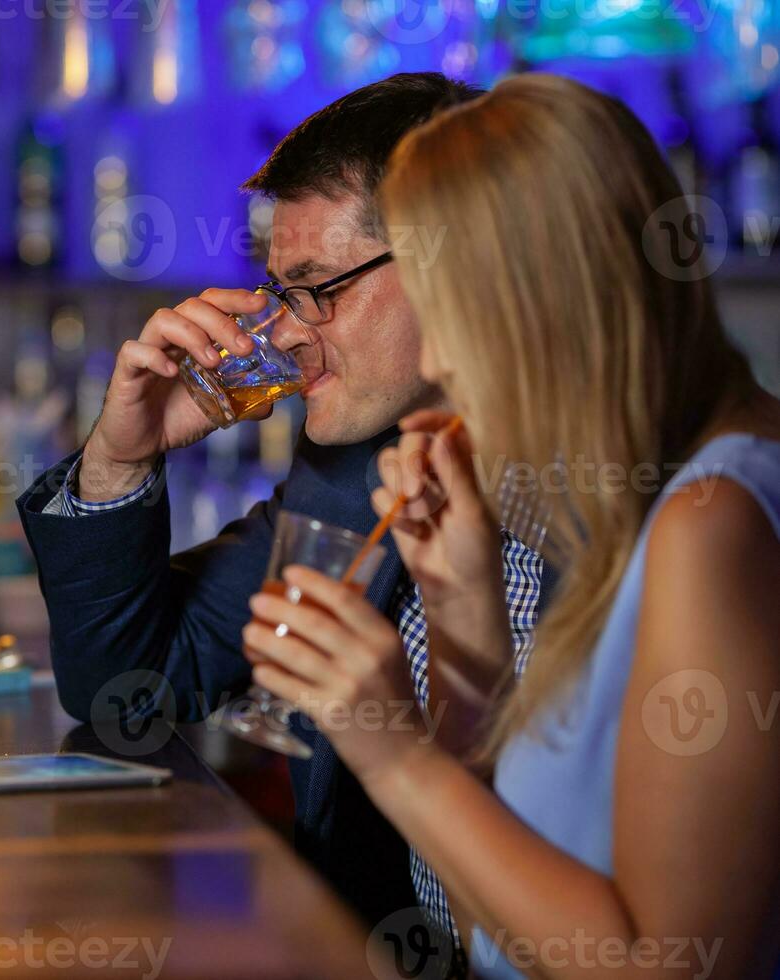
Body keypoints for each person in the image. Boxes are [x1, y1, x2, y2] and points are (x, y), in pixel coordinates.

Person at [241, 74, 780, 978]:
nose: (441, 361)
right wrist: (464, 623)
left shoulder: (714, 516)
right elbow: (485, 927)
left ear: (549, 302)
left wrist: (396, 756)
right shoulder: (647, 497)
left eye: (453, 319)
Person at [16, 73, 551, 956]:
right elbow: (127, 693)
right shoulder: (353, 469)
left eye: (316, 289)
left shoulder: (643, 505)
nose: (286, 333)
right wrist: (123, 453)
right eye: (278, 292)